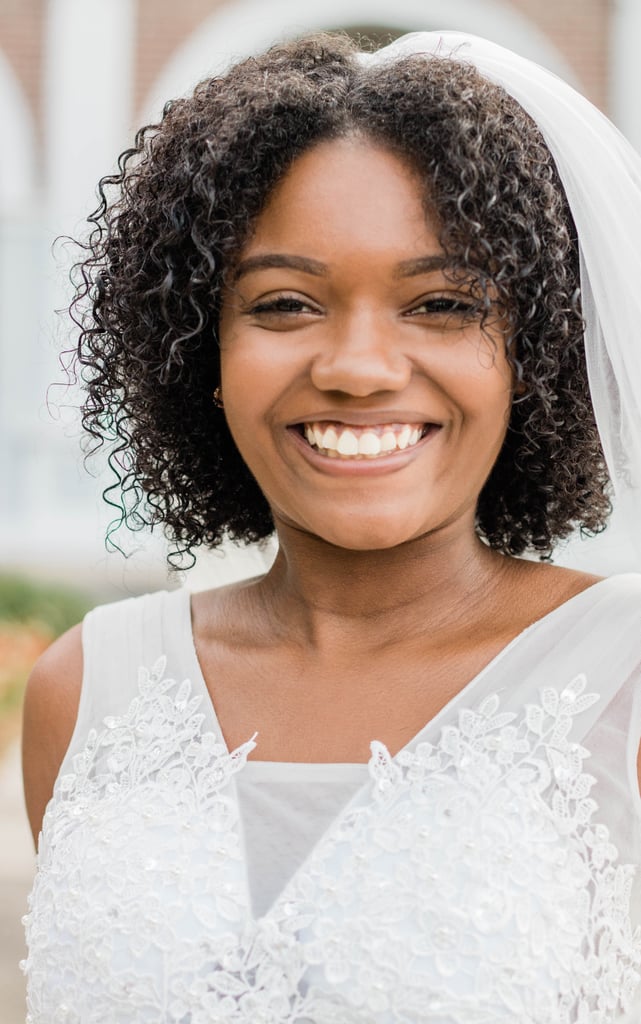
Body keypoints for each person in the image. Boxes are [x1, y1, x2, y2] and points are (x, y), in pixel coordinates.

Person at [20, 28, 641, 1024]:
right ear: (198, 348)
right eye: (284, 303)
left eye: (439, 303)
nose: (356, 366)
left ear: (532, 354)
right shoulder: (87, 690)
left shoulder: (624, 675)